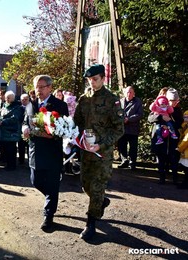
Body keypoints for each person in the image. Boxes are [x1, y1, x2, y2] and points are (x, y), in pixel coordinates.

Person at [73, 64, 124, 240]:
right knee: (85, 185)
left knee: (96, 188)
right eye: (89, 80)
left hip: (103, 153)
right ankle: (102, 202)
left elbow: (119, 129)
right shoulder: (84, 98)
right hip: (86, 151)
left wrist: (100, 145)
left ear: (103, 78)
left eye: (95, 79)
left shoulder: (112, 100)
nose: (92, 83)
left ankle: (91, 224)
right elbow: (77, 121)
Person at [22, 75, 69, 231]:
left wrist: (43, 132)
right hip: (35, 151)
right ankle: (52, 196)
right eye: (36, 87)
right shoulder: (30, 105)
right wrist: (24, 129)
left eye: (42, 87)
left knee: (52, 183)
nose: (38, 90)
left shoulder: (60, 105)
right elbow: (24, 122)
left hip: (52, 152)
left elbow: (62, 129)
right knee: (35, 181)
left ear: (50, 87)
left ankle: (48, 216)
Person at [148, 88, 183, 185]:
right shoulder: (159, 106)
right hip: (160, 138)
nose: (176, 103)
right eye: (173, 101)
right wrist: (160, 117)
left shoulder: (177, 110)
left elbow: (180, 123)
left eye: (177, 101)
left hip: (172, 139)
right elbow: (150, 118)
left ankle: (175, 178)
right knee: (161, 158)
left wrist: (169, 123)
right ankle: (162, 178)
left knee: (174, 158)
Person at [117, 86, 144, 170]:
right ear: (124, 93)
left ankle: (133, 162)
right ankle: (124, 161)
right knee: (121, 145)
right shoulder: (120, 101)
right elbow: (116, 112)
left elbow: (139, 114)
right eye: (127, 92)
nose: (129, 94)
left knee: (133, 147)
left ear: (134, 93)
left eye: (131, 92)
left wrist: (128, 119)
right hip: (122, 128)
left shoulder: (137, 102)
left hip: (133, 128)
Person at [0, 90, 23, 171]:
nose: (7, 100)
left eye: (8, 98)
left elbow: (15, 118)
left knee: (11, 150)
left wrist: (4, 122)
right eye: (6, 98)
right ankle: (8, 164)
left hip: (12, 132)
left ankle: (12, 165)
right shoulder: (4, 105)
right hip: (4, 131)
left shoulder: (17, 107)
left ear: (13, 98)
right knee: (6, 150)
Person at [177, 110, 188, 189]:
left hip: (186, 151)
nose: (185, 118)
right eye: (185, 117)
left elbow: (186, 140)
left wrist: (180, 148)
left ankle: (185, 184)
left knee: (187, 169)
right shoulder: (184, 126)